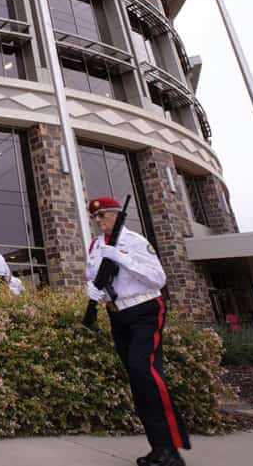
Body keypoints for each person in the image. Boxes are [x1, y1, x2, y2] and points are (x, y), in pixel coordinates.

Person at [85, 196, 190, 466]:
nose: (98, 220)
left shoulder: (134, 241)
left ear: (118, 215)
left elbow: (158, 278)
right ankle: (158, 448)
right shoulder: (96, 245)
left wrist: (123, 258)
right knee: (137, 379)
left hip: (144, 310)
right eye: (95, 217)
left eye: (103, 215)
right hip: (117, 314)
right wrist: (93, 290)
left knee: (146, 373)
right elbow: (93, 274)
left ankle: (171, 449)